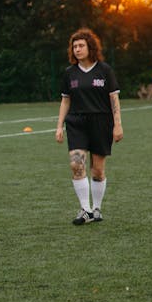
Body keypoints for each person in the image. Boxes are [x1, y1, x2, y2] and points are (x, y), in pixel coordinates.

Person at [55, 29, 123, 225]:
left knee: (98, 171)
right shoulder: (70, 73)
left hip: (101, 123)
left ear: (90, 47)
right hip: (76, 122)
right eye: (74, 46)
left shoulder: (104, 70)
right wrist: (59, 126)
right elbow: (65, 101)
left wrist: (117, 125)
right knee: (76, 165)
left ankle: (97, 208)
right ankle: (85, 209)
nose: (77, 49)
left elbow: (114, 98)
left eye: (81, 45)